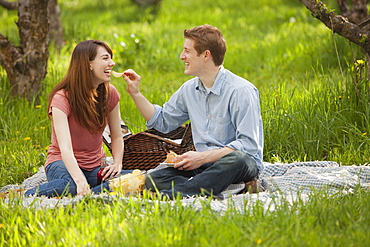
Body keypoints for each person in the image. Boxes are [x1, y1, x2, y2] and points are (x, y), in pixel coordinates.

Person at [122, 24, 264, 199]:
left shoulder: (241, 91)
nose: (182, 56)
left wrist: (203, 157)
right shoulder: (189, 89)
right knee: (155, 178)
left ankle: (173, 196)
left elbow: (248, 146)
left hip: (238, 164)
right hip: (205, 167)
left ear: (206, 55)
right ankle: (229, 187)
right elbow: (162, 121)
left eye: (187, 51)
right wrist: (135, 93)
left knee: (238, 159)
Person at [25, 40, 131, 197]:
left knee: (133, 178)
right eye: (105, 58)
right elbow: (65, 148)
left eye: (111, 58)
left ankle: (88, 192)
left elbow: (116, 135)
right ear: (88, 64)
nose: (112, 63)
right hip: (61, 163)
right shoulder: (61, 98)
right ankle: (23, 194)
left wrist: (117, 163)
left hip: (94, 166)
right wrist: (79, 179)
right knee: (71, 186)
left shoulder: (110, 93)